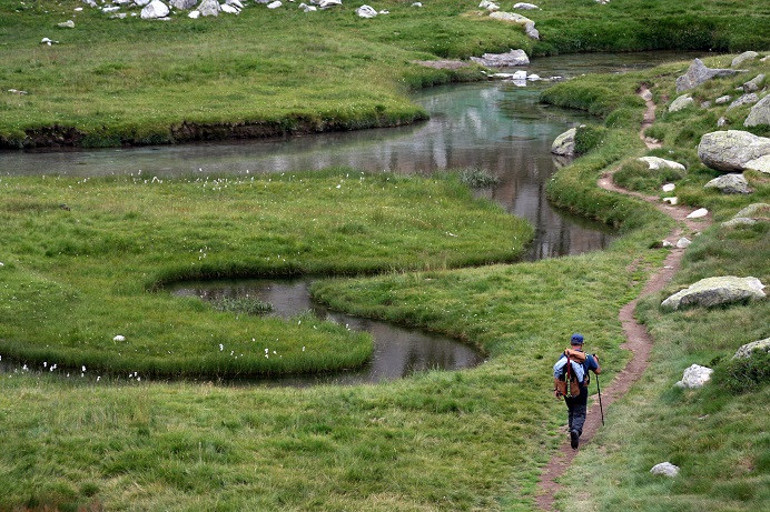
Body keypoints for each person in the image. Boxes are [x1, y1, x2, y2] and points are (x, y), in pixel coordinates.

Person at [553, 333, 601, 449]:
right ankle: (575, 430)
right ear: (582, 344)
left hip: (566, 388)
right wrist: (596, 360)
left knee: (571, 409)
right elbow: (598, 371)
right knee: (580, 411)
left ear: (571, 344)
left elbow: (558, 373)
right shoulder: (587, 357)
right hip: (581, 388)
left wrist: (557, 389)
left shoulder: (564, 356)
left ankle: (572, 431)